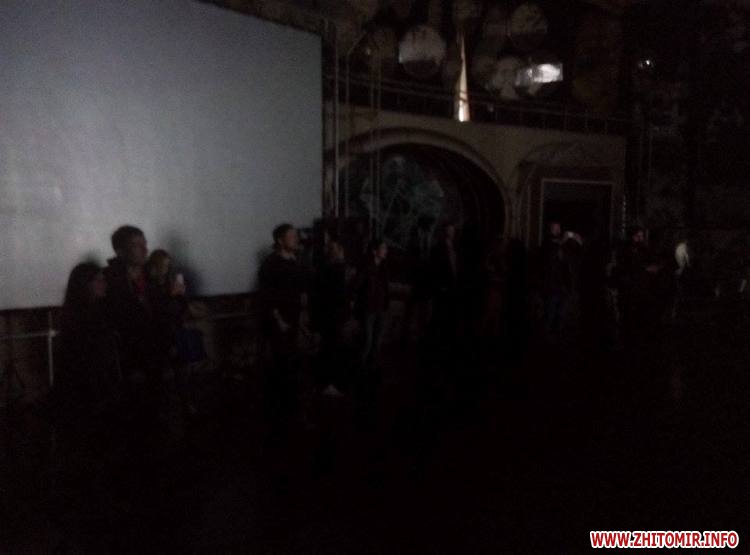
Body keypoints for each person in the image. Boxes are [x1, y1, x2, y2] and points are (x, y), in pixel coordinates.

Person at [258, 223, 309, 440]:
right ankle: (279, 410)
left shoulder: (295, 261)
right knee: (281, 361)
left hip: (294, 318)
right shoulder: (271, 263)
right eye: (291, 236)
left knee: (291, 360)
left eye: (296, 236)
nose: (296, 239)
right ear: (280, 240)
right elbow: (267, 295)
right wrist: (278, 319)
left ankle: (289, 405)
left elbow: (300, 290)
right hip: (278, 321)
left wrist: (302, 317)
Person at [56, 263, 120, 419]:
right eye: (98, 280)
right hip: (86, 387)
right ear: (84, 284)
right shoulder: (79, 318)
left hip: (99, 384)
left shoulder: (99, 311)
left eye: (104, 280)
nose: (104, 284)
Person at [145, 249, 198, 416]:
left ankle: (185, 404)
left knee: (182, 371)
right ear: (155, 266)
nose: (166, 269)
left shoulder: (170, 282)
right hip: (160, 334)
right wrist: (171, 295)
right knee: (162, 374)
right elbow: (156, 312)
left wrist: (181, 295)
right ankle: (165, 409)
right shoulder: (148, 285)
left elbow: (181, 308)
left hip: (176, 331)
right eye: (163, 265)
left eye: (168, 265)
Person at [312, 239, 349, 397]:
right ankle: (327, 383)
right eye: (339, 250)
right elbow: (337, 296)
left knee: (328, 349)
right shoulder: (334, 271)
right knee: (330, 350)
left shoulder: (324, 270)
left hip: (329, 316)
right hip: (332, 317)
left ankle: (324, 382)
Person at [354, 238, 390, 372]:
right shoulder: (366, 267)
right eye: (383, 248)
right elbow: (357, 285)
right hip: (368, 308)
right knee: (367, 341)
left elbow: (385, 287)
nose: (386, 251)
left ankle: (371, 366)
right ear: (375, 251)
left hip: (380, 307)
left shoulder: (384, 267)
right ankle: (360, 367)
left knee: (377, 340)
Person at [537, 221, 571, 336]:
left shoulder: (562, 246)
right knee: (550, 314)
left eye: (558, 228)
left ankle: (556, 336)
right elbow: (550, 258)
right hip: (551, 286)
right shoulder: (547, 245)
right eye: (554, 228)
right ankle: (546, 338)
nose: (557, 231)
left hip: (562, 286)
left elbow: (565, 263)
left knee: (560, 316)